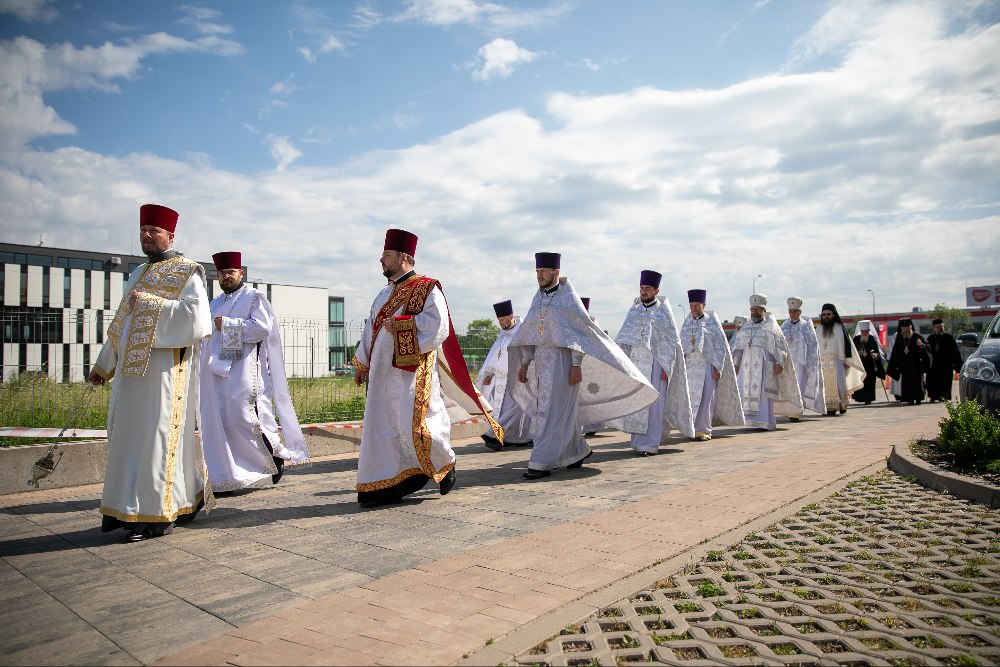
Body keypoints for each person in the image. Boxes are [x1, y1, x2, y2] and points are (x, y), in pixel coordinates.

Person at [87, 204, 213, 542]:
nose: (146, 235)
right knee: (127, 440)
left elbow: (196, 320)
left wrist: (150, 304)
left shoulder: (188, 271)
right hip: (130, 375)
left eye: (153, 231)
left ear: (170, 235)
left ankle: (155, 514)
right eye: (143, 230)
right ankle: (128, 508)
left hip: (164, 374)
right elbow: (123, 323)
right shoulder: (137, 273)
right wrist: (104, 365)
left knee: (157, 442)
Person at [352, 229, 501, 507]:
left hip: (411, 373)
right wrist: (363, 363)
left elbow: (438, 326)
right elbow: (370, 330)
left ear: (404, 257)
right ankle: (386, 483)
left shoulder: (427, 288)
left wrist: (401, 325)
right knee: (383, 429)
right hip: (382, 375)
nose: (382, 260)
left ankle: (445, 462)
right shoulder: (382, 294)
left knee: (414, 426)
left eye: (387, 255)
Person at [505, 252, 658, 478]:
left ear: (556, 272)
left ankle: (541, 460)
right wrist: (525, 363)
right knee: (551, 409)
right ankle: (577, 451)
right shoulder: (537, 299)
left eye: (543, 271)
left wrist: (576, 365)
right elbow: (529, 334)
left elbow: (580, 334)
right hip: (542, 364)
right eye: (537, 271)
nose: (539, 275)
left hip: (563, 361)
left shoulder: (568, 299)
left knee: (555, 411)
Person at [199, 251, 310, 494]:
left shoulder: (253, 297)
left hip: (244, 370)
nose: (226, 276)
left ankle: (273, 455)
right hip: (216, 372)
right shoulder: (215, 303)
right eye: (222, 273)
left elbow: (262, 328)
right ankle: (227, 476)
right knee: (221, 422)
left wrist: (228, 324)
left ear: (240, 273)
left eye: (231, 272)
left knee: (242, 418)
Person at [613, 270, 694, 455]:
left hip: (656, 365)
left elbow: (672, 343)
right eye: (642, 288)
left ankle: (650, 444)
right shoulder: (634, 310)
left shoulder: (663, 312)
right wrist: (621, 362)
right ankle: (637, 442)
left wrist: (668, 367)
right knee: (637, 403)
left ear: (656, 291)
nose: (644, 292)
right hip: (636, 364)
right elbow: (624, 339)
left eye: (648, 288)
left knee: (654, 406)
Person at [679, 289, 744, 441]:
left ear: (704, 305)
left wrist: (718, 367)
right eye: (691, 305)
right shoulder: (687, 323)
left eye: (697, 305)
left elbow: (720, 347)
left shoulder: (712, 322)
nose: (694, 308)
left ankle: (704, 430)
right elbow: (681, 344)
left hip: (707, 365)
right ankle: (691, 429)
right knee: (690, 399)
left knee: (706, 398)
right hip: (690, 367)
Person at [730, 294, 802, 430]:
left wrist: (780, 362)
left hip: (765, 366)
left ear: (764, 310)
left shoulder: (772, 327)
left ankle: (765, 421)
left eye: (758, 309)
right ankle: (749, 421)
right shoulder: (745, 328)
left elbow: (781, 347)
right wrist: (736, 364)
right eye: (753, 309)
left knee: (764, 395)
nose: (754, 312)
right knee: (746, 393)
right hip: (747, 368)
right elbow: (738, 348)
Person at [477, 300, 532, 449]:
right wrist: (489, 374)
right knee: (509, 410)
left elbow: (528, 352)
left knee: (518, 407)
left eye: (503, 319)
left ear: (511, 316)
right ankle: (515, 438)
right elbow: (496, 356)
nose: (500, 323)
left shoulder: (523, 331)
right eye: (499, 320)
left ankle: (494, 434)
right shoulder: (503, 334)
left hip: (521, 377)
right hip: (504, 379)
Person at [779, 297, 825, 421]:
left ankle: (797, 411)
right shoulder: (784, 326)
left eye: (795, 311)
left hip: (801, 364)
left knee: (800, 387)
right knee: (790, 388)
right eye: (790, 311)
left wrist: (810, 362)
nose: (792, 314)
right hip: (788, 363)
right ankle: (791, 410)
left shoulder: (806, 326)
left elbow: (813, 345)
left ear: (799, 312)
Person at [815, 303, 866, 415]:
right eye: (824, 315)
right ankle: (828, 407)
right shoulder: (818, 329)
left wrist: (847, 360)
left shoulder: (839, 328)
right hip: (822, 363)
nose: (826, 316)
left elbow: (847, 345)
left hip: (837, 361)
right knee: (824, 385)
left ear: (834, 314)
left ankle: (842, 404)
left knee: (840, 384)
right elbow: (815, 347)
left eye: (828, 314)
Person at [886, 318, 931, 405]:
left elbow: (928, 347)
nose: (906, 330)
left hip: (916, 365)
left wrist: (922, 345)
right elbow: (895, 352)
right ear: (901, 328)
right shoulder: (899, 338)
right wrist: (895, 364)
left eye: (907, 328)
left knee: (917, 383)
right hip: (904, 366)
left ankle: (918, 399)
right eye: (904, 328)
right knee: (907, 383)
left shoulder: (917, 337)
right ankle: (909, 399)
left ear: (911, 327)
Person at [926, 318, 963, 402]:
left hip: (946, 364)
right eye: (938, 327)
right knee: (933, 381)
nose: (940, 328)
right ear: (934, 328)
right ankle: (933, 397)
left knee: (945, 382)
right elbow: (927, 351)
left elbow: (955, 351)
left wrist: (955, 363)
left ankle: (944, 396)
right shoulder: (930, 338)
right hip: (934, 365)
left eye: (941, 326)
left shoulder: (948, 337)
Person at [851, 320, 886, 405]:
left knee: (869, 383)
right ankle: (860, 398)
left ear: (869, 331)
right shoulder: (856, 339)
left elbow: (878, 352)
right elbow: (852, 351)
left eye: (866, 332)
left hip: (870, 365)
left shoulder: (872, 339)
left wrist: (875, 355)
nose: (865, 334)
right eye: (863, 332)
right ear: (860, 331)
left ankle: (868, 399)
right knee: (860, 381)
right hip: (860, 365)